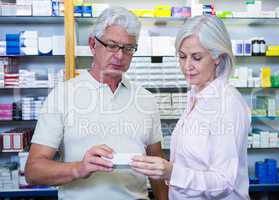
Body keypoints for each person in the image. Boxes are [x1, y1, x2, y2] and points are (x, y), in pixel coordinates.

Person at [25, 6, 168, 200]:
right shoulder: (62, 96)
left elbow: (157, 169)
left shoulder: (146, 99)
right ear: (93, 44)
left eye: (128, 49)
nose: (120, 56)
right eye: (112, 45)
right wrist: (79, 168)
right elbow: (33, 171)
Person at [130, 15, 251, 200]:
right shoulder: (196, 96)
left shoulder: (227, 103)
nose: (187, 66)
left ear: (218, 57)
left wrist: (171, 173)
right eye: (182, 57)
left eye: (196, 57)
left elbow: (224, 182)